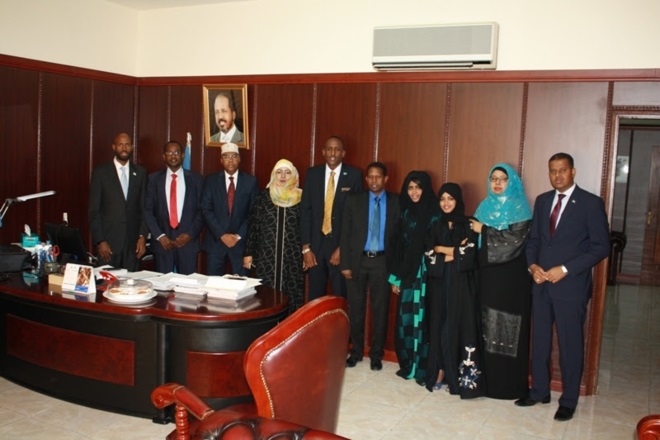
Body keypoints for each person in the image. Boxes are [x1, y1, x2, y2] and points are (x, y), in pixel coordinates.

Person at [516, 153, 610, 422]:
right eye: (553, 171)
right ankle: (540, 391)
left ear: (573, 172)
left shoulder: (590, 203)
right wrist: (532, 266)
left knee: (570, 345)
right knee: (540, 341)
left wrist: (565, 269)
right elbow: (534, 240)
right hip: (541, 285)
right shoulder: (543, 201)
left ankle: (568, 400)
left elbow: (601, 247)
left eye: (562, 170)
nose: (557, 175)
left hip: (571, 287)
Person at [470, 163, 533, 400]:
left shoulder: (520, 207)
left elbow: (514, 242)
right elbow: (472, 238)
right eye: (493, 178)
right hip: (486, 276)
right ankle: (486, 382)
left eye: (502, 179)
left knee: (507, 325)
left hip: (510, 278)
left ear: (511, 182)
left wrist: (484, 230)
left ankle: (508, 386)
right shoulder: (484, 206)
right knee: (486, 323)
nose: (497, 183)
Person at [424, 183, 484, 398]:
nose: (446, 203)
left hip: (461, 286)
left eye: (450, 198)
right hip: (439, 286)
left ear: (458, 200)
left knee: (459, 326)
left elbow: (469, 257)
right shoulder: (435, 225)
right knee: (439, 327)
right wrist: (455, 250)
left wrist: (442, 249)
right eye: (442, 199)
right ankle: (439, 370)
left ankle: (457, 376)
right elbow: (429, 257)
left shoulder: (469, 224)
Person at [340, 162, 400, 371]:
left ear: (386, 179)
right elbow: (345, 234)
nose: (374, 180)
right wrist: (345, 264)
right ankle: (356, 352)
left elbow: (399, 238)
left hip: (382, 262)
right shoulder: (354, 200)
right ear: (366, 179)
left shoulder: (396, 202)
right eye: (370, 177)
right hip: (358, 261)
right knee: (355, 309)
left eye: (378, 176)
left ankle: (376, 355)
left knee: (380, 311)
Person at [388, 171, 440, 383]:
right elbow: (398, 247)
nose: (414, 192)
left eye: (418, 187)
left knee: (426, 320)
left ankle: (425, 367)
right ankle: (409, 363)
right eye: (410, 188)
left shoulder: (435, 213)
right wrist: (395, 278)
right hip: (408, 273)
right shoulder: (405, 212)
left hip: (429, 275)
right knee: (406, 319)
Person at [300, 136, 363, 300]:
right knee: (315, 299)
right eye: (329, 149)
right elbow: (305, 211)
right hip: (315, 248)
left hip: (340, 248)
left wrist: (343, 248)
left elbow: (357, 217)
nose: (333, 153)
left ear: (343, 153)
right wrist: (306, 248)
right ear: (323, 152)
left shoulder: (354, 175)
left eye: (337, 149)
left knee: (340, 297)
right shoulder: (312, 174)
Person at [243, 159, 304, 314]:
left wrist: (305, 252)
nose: (283, 176)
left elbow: (306, 227)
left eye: (287, 172)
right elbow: (254, 226)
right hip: (266, 255)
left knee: (291, 291)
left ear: (293, 175)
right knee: (266, 293)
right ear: (273, 174)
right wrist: (249, 253)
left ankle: (289, 326)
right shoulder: (264, 197)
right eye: (279, 172)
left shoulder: (301, 198)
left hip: (292, 255)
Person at [89, 132, 148, 271]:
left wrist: (142, 236)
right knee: (107, 282)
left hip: (133, 245)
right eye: (120, 144)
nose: (124, 148)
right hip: (108, 245)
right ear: (114, 147)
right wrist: (100, 240)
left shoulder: (140, 173)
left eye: (127, 144)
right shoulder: (100, 173)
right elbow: (94, 211)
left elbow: (144, 208)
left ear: (132, 147)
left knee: (133, 283)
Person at [144, 140, 205, 274]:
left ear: (183, 155)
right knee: (162, 285)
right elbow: (147, 211)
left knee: (187, 285)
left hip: (188, 244)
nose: (173, 156)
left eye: (176, 152)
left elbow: (202, 211)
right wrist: (160, 236)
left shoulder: (197, 180)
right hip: (162, 244)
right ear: (164, 156)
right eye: (169, 153)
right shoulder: (153, 179)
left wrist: (190, 234)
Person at [201, 142, 258, 276]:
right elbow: (206, 209)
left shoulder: (250, 181)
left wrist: (237, 236)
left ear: (239, 159)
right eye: (226, 156)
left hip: (240, 244)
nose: (230, 160)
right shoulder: (211, 180)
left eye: (234, 156)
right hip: (216, 242)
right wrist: (222, 234)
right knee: (214, 284)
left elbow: (254, 212)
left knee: (242, 284)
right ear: (221, 160)